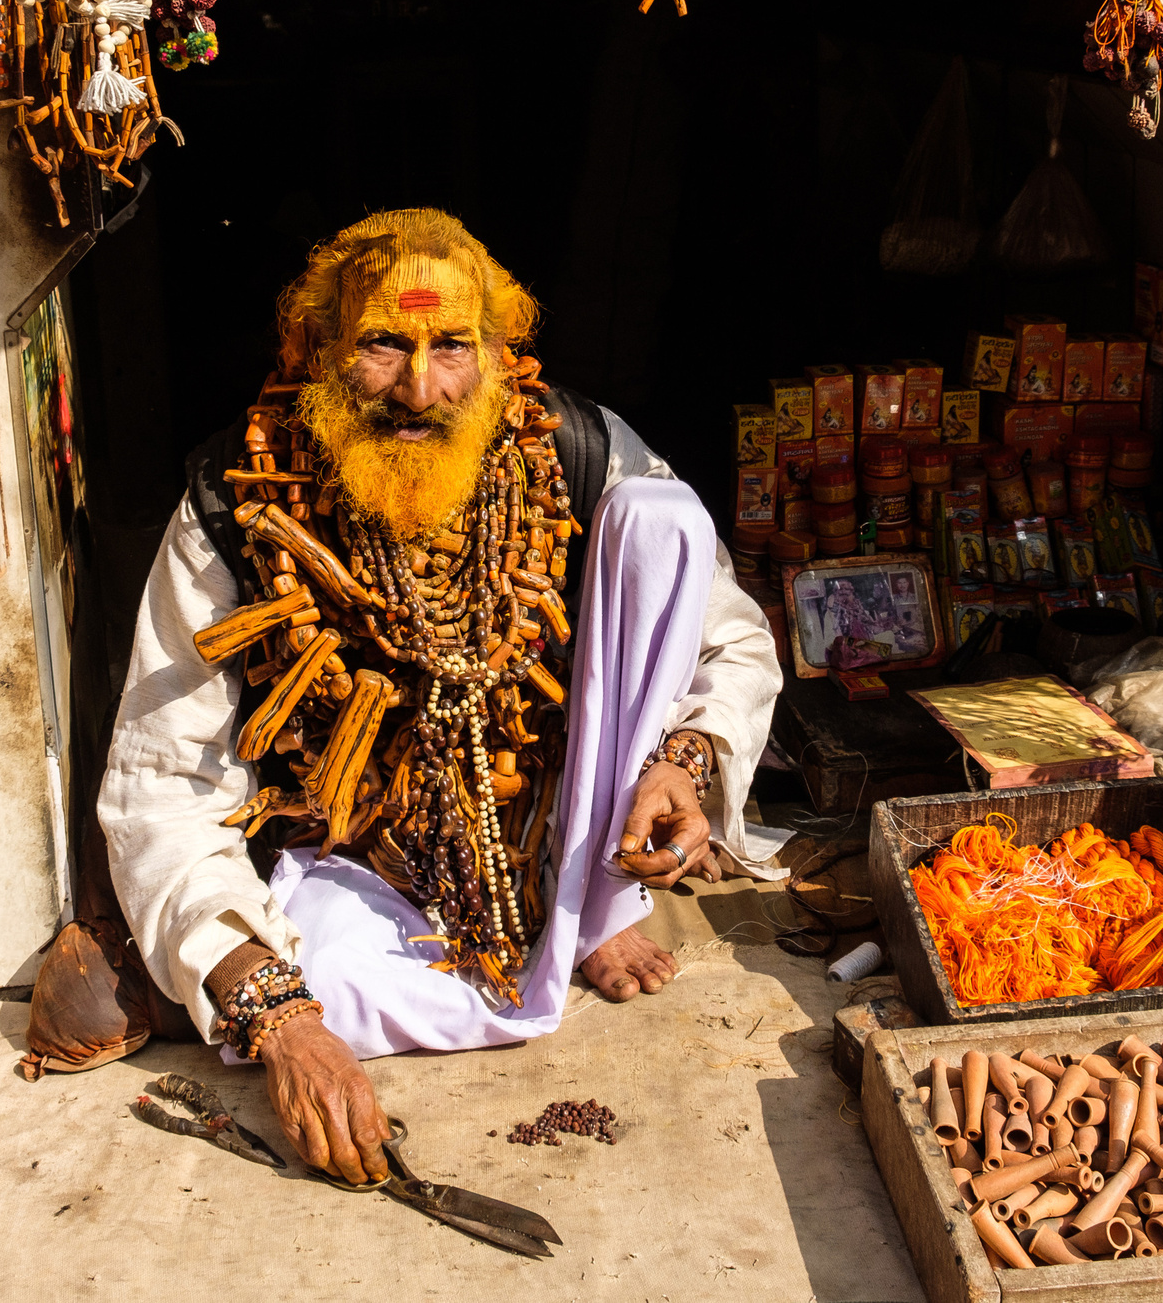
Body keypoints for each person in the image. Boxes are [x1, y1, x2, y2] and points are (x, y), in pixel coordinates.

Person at [97, 210, 780, 1188]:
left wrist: (687, 763)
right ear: (319, 349)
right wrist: (281, 1019)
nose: (419, 389)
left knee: (661, 521)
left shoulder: (580, 454)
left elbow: (734, 644)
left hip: (564, 823)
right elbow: (162, 784)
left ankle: (597, 898)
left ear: (499, 355)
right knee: (282, 997)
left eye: (451, 346)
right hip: (354, 859)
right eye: (383, 343)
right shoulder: (236, 497)